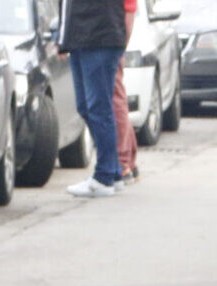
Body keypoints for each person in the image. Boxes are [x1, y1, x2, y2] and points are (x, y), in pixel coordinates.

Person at [56, 0, 127, 199]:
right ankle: (112, 172)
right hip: (80, 37)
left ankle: (104, 177)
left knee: (98, 108)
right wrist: (62, 37)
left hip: (99, 37)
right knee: (86, 107)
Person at [111, 0, 140, 183]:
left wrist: (121, 46)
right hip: (112, 36)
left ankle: (123, 162)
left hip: (111, 39)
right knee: (116, 98)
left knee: (115, 99)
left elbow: (129, 9)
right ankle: (129, 160)